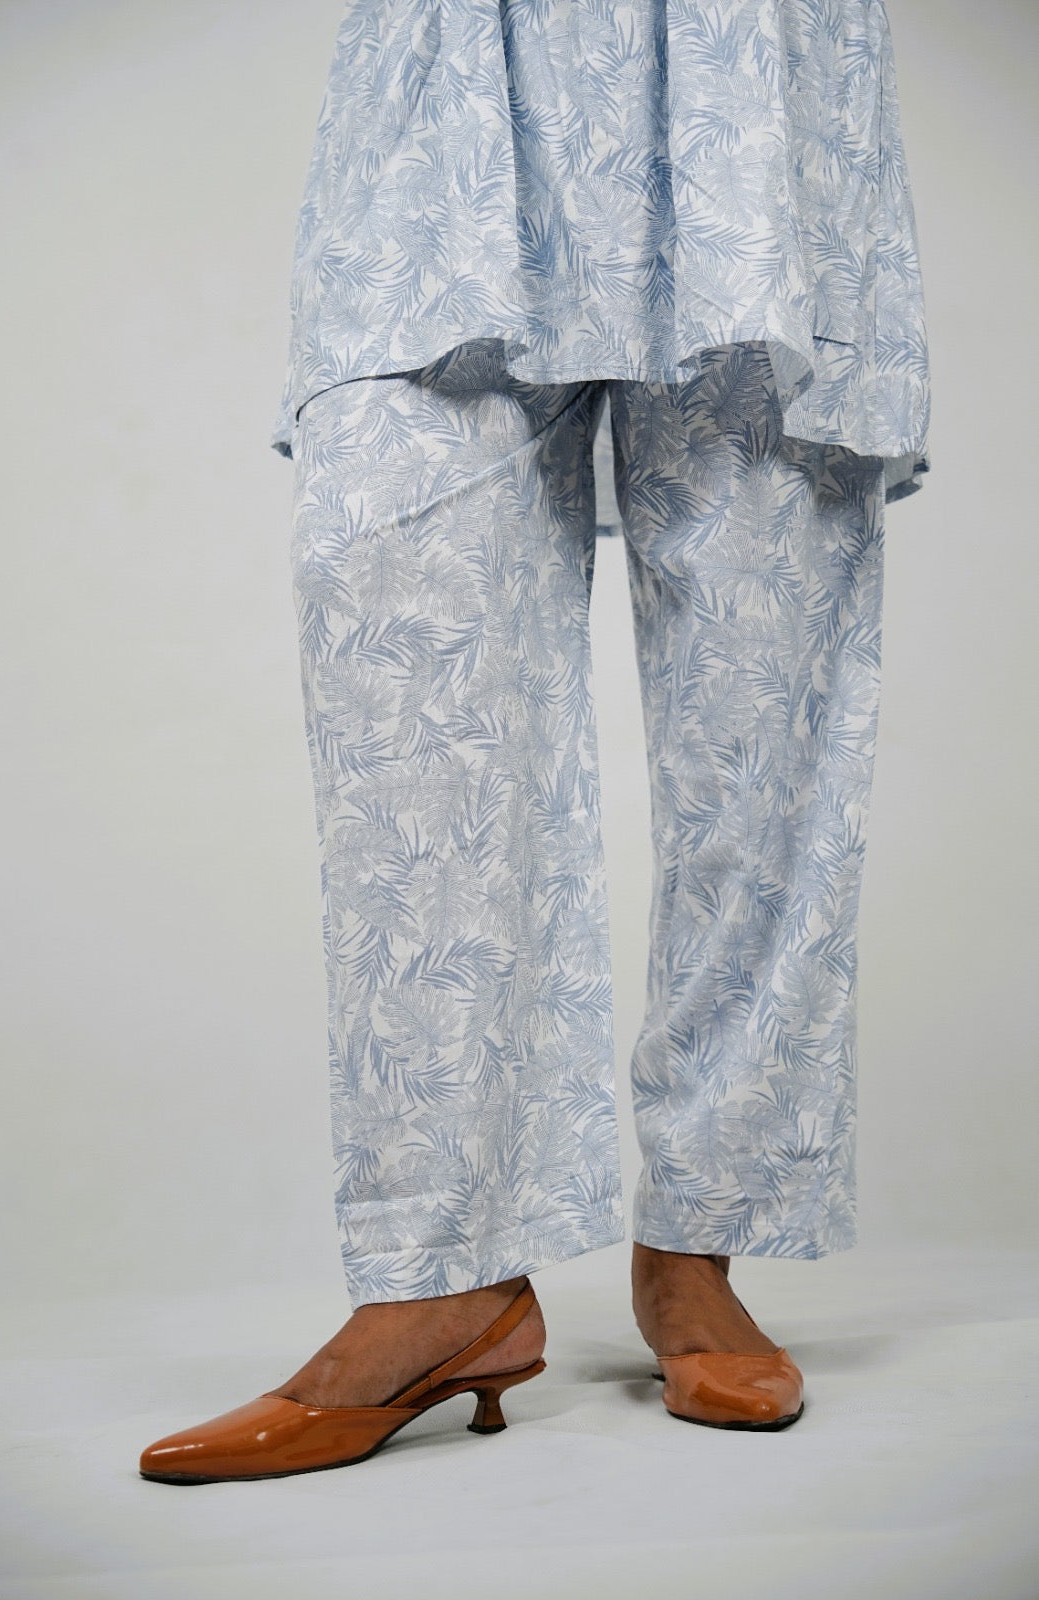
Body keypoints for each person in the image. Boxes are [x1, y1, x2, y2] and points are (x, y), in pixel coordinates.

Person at [139, 0, 930, 1482]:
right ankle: (442, 1277)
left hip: (750, 101)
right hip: (450, 103)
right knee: (410, 721)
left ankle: (696, 1240)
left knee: (759, 735)